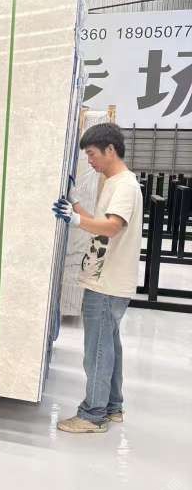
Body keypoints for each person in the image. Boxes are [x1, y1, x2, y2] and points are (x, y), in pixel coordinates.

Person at [52, 123, 142, 433]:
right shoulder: (115, 183)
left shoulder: (124, 186)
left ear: (110, 150)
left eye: (92, 154)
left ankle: (93, 415)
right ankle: (113, 406)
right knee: (109, 347)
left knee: (98, 352)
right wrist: (74, 203)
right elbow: (99, 224)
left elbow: (112, 227)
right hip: (107, 281)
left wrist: (75, 219)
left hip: (107, 284)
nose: (89, 161)